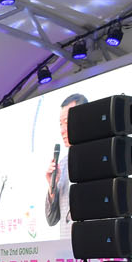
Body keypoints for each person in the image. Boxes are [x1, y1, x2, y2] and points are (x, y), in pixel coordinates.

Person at [44, 93, 87, 228]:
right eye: (60, 124)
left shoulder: (102, 157)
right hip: (66, 240)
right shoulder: (62, 164)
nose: (62, 130)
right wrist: (52, 185)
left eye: (67, 122)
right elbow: (51, 219)